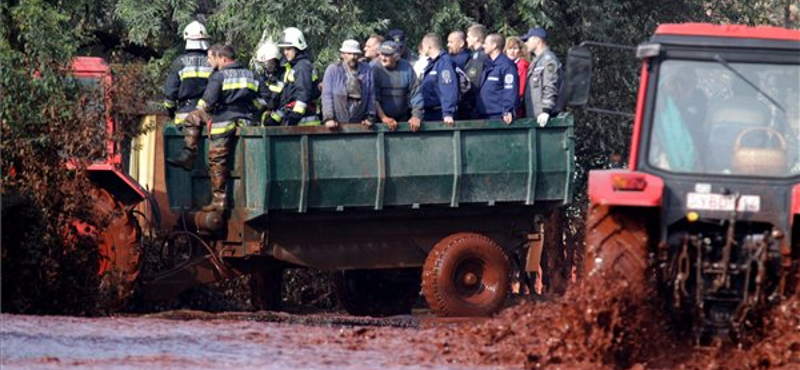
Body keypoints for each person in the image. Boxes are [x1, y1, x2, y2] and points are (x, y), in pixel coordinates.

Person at [188, 44, 264, 212]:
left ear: (223, 59)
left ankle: (219, 200)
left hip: (223, 123)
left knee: (217, 161)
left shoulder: (219, 76)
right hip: (246, 122)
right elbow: (265, 99)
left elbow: (207, 102)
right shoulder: (251, 75)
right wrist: (250, 107)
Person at [163, 21, 213, 168]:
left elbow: (170, 94)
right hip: (208, 115)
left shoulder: (179, 63)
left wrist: (171, 112)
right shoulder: (212, 62)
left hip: (184, 117)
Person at [268, 27, 321, 126]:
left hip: (305, 124)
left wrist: (295, 116)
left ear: (297, 48)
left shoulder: (302, 67)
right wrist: (275, 118)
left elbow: (303, 94)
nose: (285, 52)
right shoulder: (292, 67)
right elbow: (288, 102)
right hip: (297, 122)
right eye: (284, 49)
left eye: (289, 49)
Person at [321, 39, 376, 129]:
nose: (352, 57)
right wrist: (329, 118)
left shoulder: (366, 70)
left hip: (359, 122)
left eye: (355, 54)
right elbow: (327, 95)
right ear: (342, 54)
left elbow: (371, 94)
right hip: (337, 123)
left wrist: (370, 117)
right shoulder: (333, 70)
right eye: (349, 54)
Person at [372, 41, 423, 131]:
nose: (383, 58)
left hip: (403, 119)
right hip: (379, 122)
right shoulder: (374, 69)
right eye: (382, 54)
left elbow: (416, 93)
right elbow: (374, 98)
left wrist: (416, 116)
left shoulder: (406, 68)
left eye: (387, 55)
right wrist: (384, 118)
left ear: (396, 56)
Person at [521, 27, 565, 127]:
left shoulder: (549, 60)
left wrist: (546, 110)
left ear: (537, 40)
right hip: (534, 117)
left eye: (528, 40)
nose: (526, 43)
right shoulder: (536, 61)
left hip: (546, 119)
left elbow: (550, 85)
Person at [476, 34, 518, 124]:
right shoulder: (488, 64)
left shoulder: (507, 66)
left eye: (486, 43)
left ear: (494, 46)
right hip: (484, 114)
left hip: (498, 115)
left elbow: (510, 89)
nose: (483, 46)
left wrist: (508, 110)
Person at [419, 33, 458, 126]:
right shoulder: (432, 63)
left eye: (423, 46)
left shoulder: (444, 62)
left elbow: (448, 88)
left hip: (439, 113)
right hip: (429, 113)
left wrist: (448, 113)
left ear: (428, 47)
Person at [461, 24, 490, 119]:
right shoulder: (476, 55)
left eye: (469, 36)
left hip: (476, 104)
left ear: (476, 38)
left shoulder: (479, 56)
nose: (467, 40)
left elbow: (473, 82)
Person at [253, 40, 285, 124]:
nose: (268, 66)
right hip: (261, 118)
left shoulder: (283, 75)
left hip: (279, 119)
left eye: (271, 62)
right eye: (265, 63)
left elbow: (284, 99)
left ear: (276, 61)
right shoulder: (259, 77)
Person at [504, 37, 529, 118]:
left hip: (517, 107)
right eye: (509, 48)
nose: (512, 51)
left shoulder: (522, 65)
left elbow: (521, 89)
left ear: (520, 50)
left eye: (515, 48)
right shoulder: (507, 65)